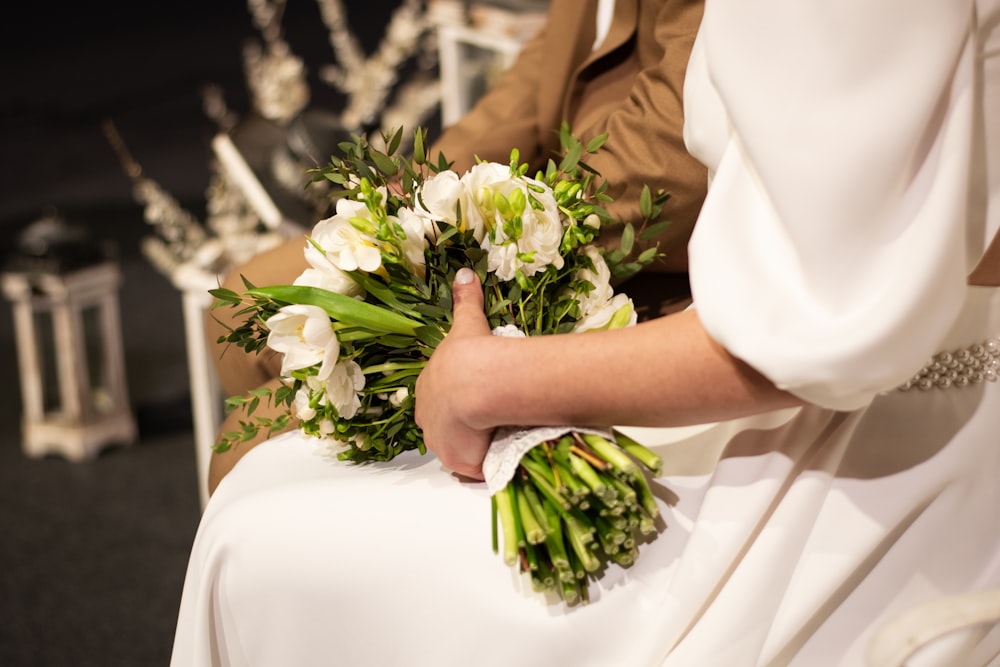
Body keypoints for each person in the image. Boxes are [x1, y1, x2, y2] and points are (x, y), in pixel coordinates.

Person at [171, 1, 1000, 666]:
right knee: (259, 468)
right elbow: (529, 96)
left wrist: (495, 370)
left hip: (882, 427)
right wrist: (410, 211)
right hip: (801, 352)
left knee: (260, 535)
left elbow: (819, 318)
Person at [204, 0, 708, 493]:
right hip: (534, 192)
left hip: (618, 253)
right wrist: (429, 184)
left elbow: (667, 155)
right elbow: (539, 74)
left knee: (242, 441)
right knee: (234, 313)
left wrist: (487, 225)